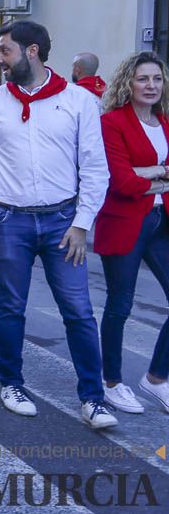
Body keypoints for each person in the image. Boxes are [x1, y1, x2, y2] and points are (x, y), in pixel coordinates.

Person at [0, 20, 116, 430]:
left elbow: (95, 169)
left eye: (5, 51)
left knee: (79, 311)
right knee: (11, 305)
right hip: (7, 218)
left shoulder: (79, 102)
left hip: (63, 222)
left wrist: (82, 224)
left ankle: (94, 398)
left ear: (32, 52)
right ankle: (11, 383)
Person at [94, 51, 169, 415]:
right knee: (120, 305)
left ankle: (156, 379)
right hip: (124, 222)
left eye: (156, 79)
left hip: (159, 223)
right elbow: (121, 182)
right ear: (129, 82)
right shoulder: (112, 122)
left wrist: (148, 174)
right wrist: (160, 174)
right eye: (143, 79)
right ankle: (111, 383)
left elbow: (139, 177)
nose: (151, 85)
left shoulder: (165, 122)